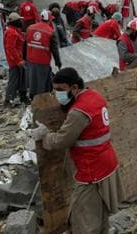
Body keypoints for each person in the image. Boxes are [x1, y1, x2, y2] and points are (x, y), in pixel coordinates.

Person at [30, 68, 123, 233]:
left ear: (73, 88)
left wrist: (44, 135)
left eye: (60, 90)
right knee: (100, 215)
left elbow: (61, 141)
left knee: (83, 221)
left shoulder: (78, 112)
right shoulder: (94, 95)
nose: (57, 94)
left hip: (91, 171)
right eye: (55, 90)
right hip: (107, 163)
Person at [24, 10, 62, 97]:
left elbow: (25, 44)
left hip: (30, 59)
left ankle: (32, 96)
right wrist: (58, 62)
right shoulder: (50, 32)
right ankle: (40, 98)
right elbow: (54, 50)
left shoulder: (30, 28)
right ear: (49, 20)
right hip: (43, 61)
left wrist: (24, 57)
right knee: (42, 81)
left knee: (32, 78)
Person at [3, 13, 29, 107]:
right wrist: (18, 60)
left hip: (18, 59)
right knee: (14, 80)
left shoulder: (14, 31)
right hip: (15, 61)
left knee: (22, 79)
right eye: (20, 20)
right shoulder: (11, 33)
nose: (22, 22)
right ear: (15, 22)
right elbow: (10, 48)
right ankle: (8, 100)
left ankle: (23, 96)